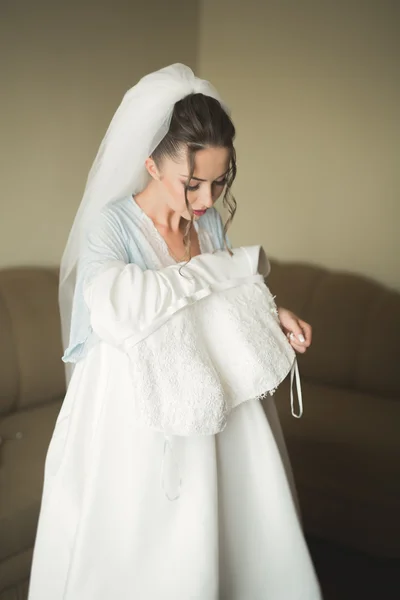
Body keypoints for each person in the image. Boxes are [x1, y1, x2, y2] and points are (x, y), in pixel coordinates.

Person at [28, 64, 322, 599]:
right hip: (135, 411)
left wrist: (271, 310)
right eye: (192, 184)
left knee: (233, 531)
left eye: (218, 181)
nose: (207, 199)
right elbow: (113, 309)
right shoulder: (111, 226)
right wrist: (220, 275)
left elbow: (227, 293)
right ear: (150, 165)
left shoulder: (205, 221)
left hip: (216, 393)